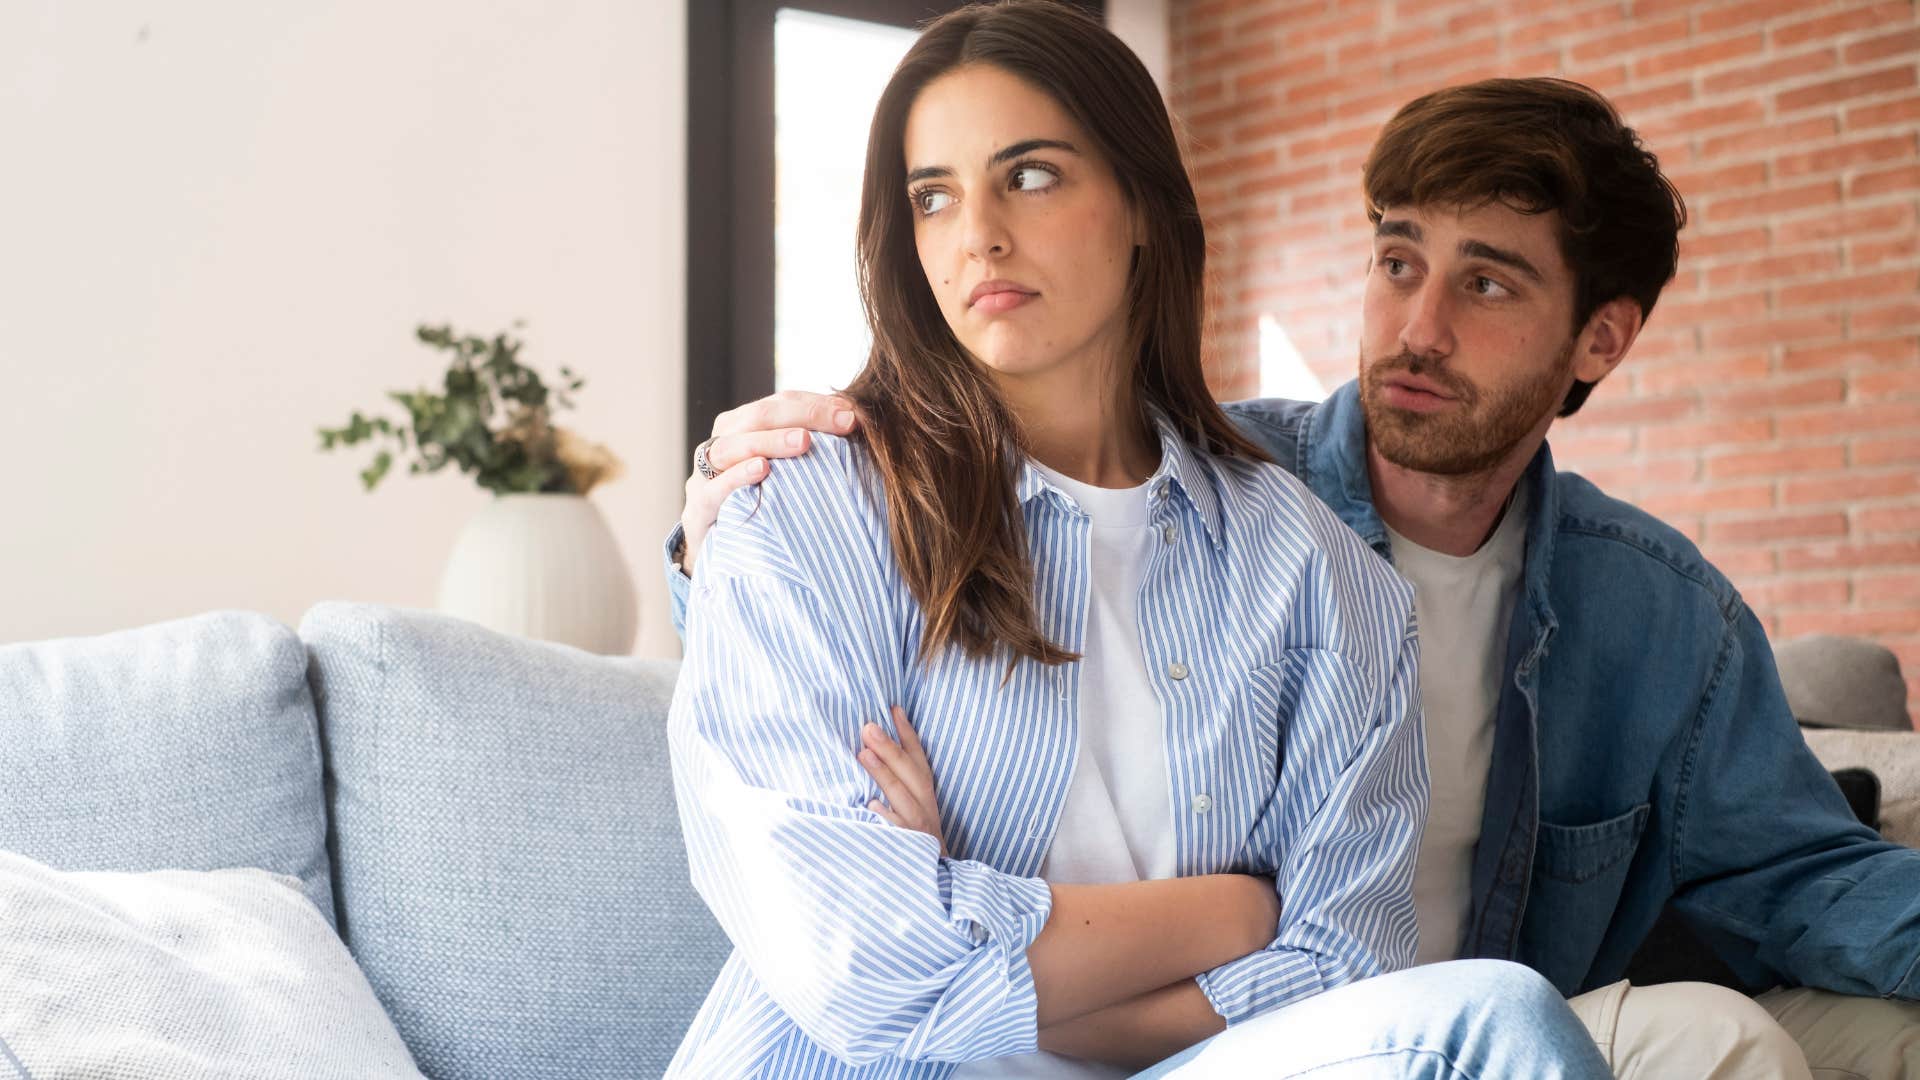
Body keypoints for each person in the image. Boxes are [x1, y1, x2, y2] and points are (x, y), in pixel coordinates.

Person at [670, 75, 1920, 1078]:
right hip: (1249, 1021)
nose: (1417, 327)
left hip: (1378, 1022)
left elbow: (1799, 873)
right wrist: (712, 538)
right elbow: (825, 800)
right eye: (1395, 262)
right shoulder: (1202, 477)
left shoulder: (1649, 612)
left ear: (1601, 336)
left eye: (1484, 283)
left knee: (1716, 1035)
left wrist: (987, 930)